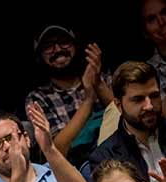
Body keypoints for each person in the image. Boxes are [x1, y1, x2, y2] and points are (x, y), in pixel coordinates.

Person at [25, 25, 115, 164]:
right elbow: (57, 149)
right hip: (79, 167)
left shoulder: (102, 78)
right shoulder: (38, 98)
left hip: (117, 151)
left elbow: (127, 116)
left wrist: (97, 84)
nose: (58, 49)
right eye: (49, 46)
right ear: (39, 56)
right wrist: (88, 99)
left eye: (63, 42)